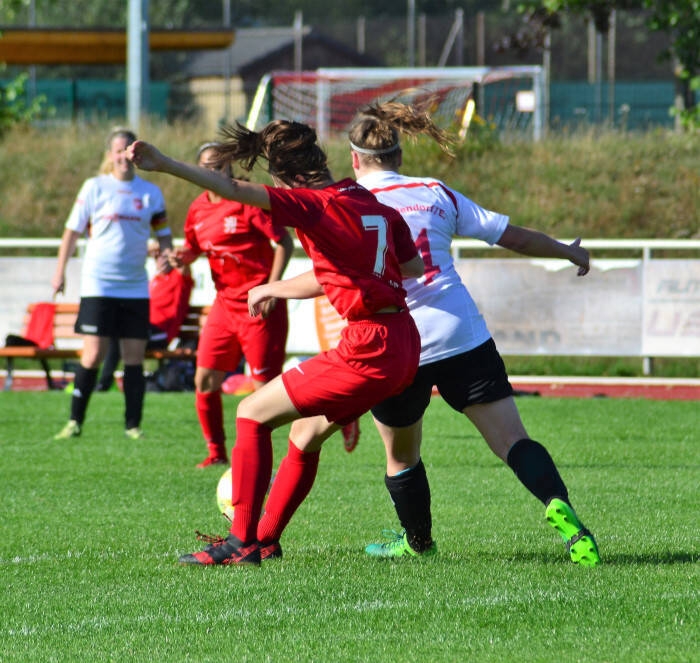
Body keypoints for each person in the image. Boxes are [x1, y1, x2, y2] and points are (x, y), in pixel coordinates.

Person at [260, 101, 600, 568]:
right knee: (513, 441)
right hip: (460, 332)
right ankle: (562, 512)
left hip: (394, 342)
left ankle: (417, 542)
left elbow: (334, 278)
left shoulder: (347, 201)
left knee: (401, 455)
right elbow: (512, 236)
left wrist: (274, 289)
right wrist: (567, 251)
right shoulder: (435, 191)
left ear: (355, 159)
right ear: (399, 155)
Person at [126, 119, 424, 566]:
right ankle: (265, 537)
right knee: (304, 436)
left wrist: (164, 164)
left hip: (369, 345)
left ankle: (240, 541)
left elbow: (234, 191)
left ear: (287, 178)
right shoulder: (370, 203)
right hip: (405, 340)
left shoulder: (312, 204)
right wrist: (274, 288)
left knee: (250, 414)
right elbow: (411, 267)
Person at [173, 142, 294, 468]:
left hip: (259, 307)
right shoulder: (198, 208)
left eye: (219, 166)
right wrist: (179, 257)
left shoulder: (246, 203)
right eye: (207, 166)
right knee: (205, 380)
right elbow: (193, 247)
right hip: (224, 307)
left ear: (230, 169)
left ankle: (330, 413)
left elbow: (284, 241)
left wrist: (271, 289)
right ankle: (216, 453)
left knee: (264, 393)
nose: (212, 172)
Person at [52, 126, 173, 441]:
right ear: (110, 155)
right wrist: (60, 270)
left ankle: (133, 426)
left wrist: (167, 254)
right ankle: (74, 422)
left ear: (138, 153)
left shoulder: (150, 193)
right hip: (99, 285)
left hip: (134, 286)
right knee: (92, 355)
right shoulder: (94, 187)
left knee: (134, 357)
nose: (125, 156)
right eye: (119, 150)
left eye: (130, 150)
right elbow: (71, 233)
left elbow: (163, 234)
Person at [95, 240, 194, 392]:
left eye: (164, 256)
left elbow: (184, 266)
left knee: (122, 336)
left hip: (159, 334)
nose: (161, 260)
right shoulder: (155, 280)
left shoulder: (179, 279)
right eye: (158, 257)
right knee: (118, 332)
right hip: (144, 328)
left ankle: (103, 385)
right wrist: (152, 249)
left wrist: (172, 255)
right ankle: (110, 384)